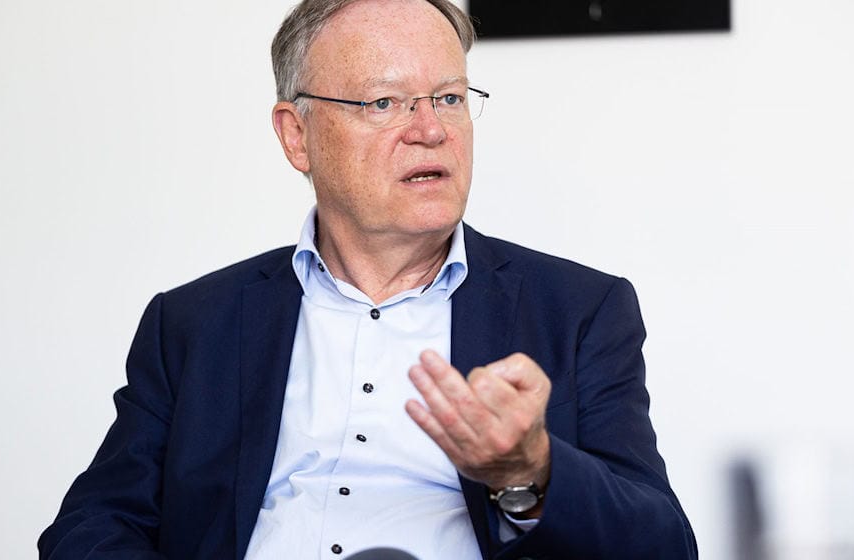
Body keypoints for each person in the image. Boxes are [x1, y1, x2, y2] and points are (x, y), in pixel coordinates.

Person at [38, 0, 698, 558]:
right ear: (297, 135)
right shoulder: (192, 324)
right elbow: (92, 526)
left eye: (447, 97)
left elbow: (664, 544)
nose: (432, 130)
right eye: (386, 102)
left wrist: (530, 470)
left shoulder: (577, 310)